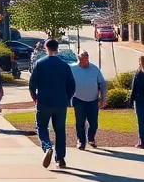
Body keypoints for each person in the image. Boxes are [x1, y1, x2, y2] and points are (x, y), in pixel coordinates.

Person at [29, 38, 77, 169]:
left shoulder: (40, 63)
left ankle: (47, 147)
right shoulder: (64, 65)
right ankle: (60, 159)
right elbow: (72, 86)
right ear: (57, 48)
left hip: (44, 101)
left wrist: (35, 97)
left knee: (41, 127)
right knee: (60, 130)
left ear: (46, 48)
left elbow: (32, 84)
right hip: (60, 102)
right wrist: (66, 98)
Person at [70, 49, 107, 150]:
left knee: (93, 123)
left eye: (87, 59)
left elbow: (102, 83)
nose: (85, 62)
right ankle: (81, 141)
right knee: (80, 122)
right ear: (79, 59)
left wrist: (103, 97)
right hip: (78, 99)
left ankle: (91, 138)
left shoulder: (94, 69)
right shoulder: (72, 68)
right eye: (83, 60)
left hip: (93, 100)